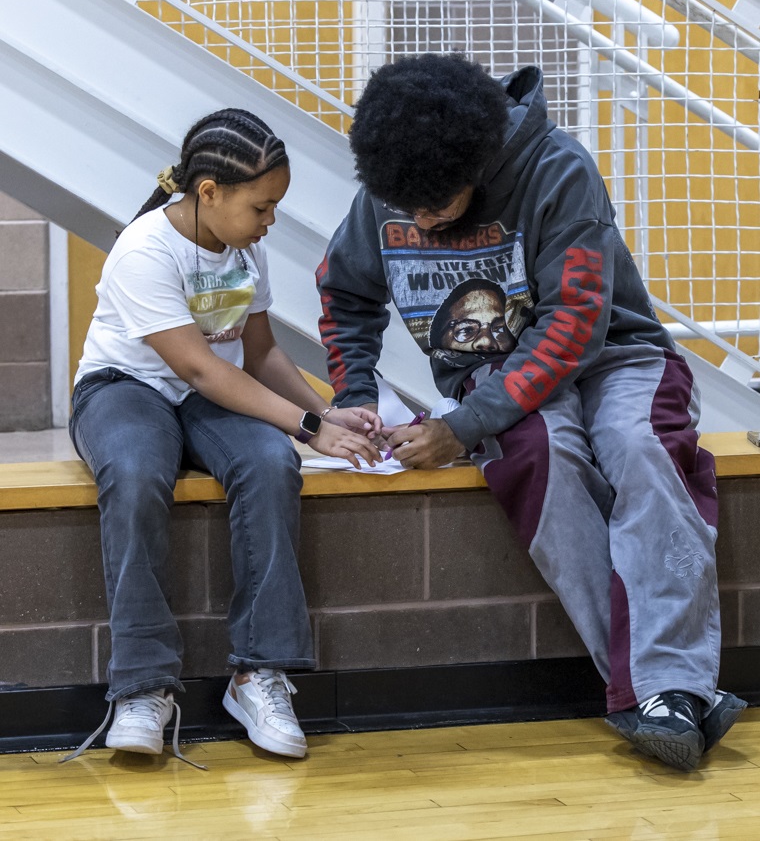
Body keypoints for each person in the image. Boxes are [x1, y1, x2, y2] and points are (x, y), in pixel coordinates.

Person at [316, 53, 747, 772]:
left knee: (639, 450)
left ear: (479, 164)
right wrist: (355, 391)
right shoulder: (394, 188)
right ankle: (667, 692)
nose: (420, 219)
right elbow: (345, 291)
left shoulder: (559, 169)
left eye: (438, 206)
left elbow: (574, 325)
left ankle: (665, 688)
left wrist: (460, 428)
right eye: (408, 209)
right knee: (541, 455)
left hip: (617, 353)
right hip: (493, 372)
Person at [63, 108, 382, 768]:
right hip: (126, 388)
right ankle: (142, 686)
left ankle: (258, 675)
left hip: (208, 395)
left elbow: (259, 354)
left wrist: (328, 412)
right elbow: (198, 365)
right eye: (262, 208)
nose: (270, 223)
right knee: (135, 466)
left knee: (270, 460)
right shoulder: (145, 248)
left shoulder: (245, 249)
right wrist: (312, 428)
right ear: (208, 192)